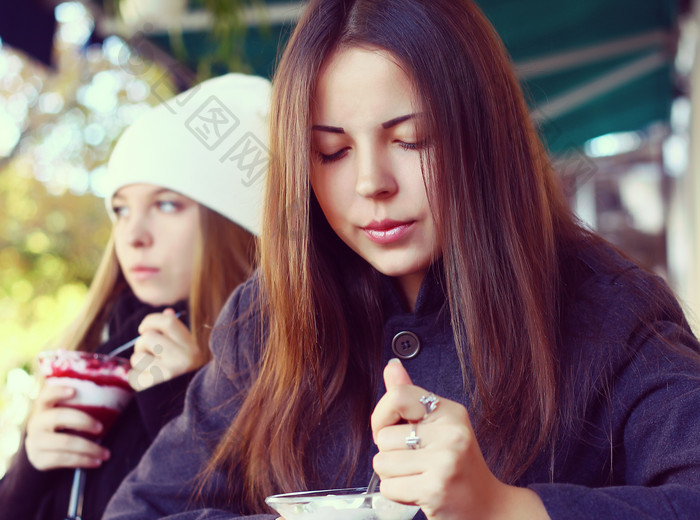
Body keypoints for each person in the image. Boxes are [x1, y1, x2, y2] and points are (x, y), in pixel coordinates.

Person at [104, 1, 700, 519]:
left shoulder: (609, 307)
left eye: (412, 139)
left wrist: (505, 510)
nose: (370, 183)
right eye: (331, 151)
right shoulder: (265, 318)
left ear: (485, 135)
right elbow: (141, 510)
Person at [0, 72, 271, 520]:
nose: (133, 236)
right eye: (121, 209)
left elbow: (266, 500)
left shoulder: (277, 357)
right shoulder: (100, 349)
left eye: (167, 204)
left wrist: (183, 402)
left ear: (232, 222)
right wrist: (30, 467)